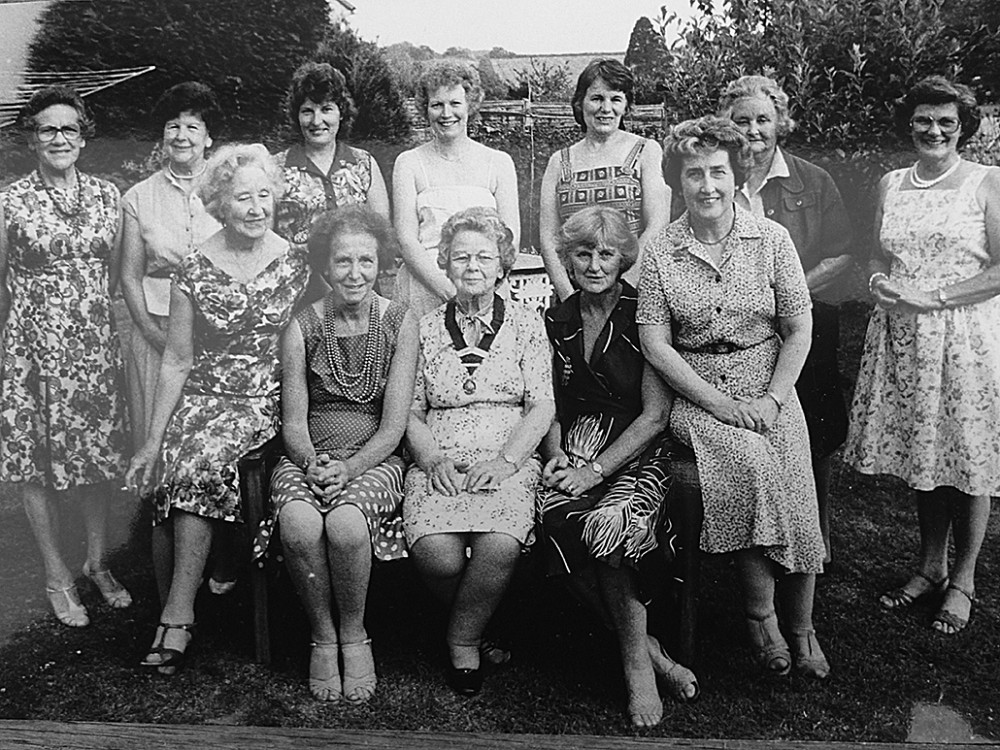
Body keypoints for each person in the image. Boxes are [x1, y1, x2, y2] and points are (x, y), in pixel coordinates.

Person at [638, 116, 829, 679]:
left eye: (718, 172)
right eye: (693, 173)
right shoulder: (661, 250)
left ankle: (803, 625)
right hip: (697, 394)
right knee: (749, 463)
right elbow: (654, 339)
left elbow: (799, 328)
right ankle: (760, 616)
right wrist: (717, 405)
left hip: (768, 386)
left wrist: (772, 400)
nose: (707, 186)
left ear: (736, 173)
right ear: (678, 180)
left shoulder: (771, 239)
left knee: (794, 472)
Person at [126, 144, 309, 673]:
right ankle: (187, 593)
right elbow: (177, 360)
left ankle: (179, 614)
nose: (255, 208)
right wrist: (151, 439)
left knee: (199, 461)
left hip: (262, 399)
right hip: (203, 396)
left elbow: (320, 331)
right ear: (219, 205)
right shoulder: (195, 268)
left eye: (263, 196)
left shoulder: (297, 261)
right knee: (177, 458)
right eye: (242, 198)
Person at [844, 76, 1000, 635]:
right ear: (909, 124)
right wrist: (880, 279)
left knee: (968, 455)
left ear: (963, 128)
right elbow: (874, 253)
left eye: (946, 123)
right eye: (923, 121)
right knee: (923, 453)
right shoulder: (892, 183)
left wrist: (931, 297)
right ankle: (929, 567)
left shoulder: (987, 182)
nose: (933, 131)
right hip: (904, 336)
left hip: (963, 336)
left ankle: (963, 579)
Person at [251, 206, 418, 703]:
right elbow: (294, 423)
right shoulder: (301, 327)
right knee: (300, 523)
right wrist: (313, 464)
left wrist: (351, 468)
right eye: (343, 262)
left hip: (374, 456)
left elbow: (393, 428)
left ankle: (354, 634)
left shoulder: (399, 322)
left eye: (366, 261)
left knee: (345, 525)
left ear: (381, 262)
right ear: (324, 266)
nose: (355, 273)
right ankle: (322, 636)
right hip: (309, 456)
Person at [538, 206, 695, 727]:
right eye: (584, 253)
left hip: (634, 449)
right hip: (574, 444)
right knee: (548, 517)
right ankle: (648, 647)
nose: (595, 264)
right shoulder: (557, 317)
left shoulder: (642, 311)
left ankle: (636, 669)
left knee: (610, 523)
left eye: (607, 253)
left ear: (624, 257)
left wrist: (595, 472)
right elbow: (550, 402)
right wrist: (558, 454)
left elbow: (655, 416)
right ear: (568, 258)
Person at [404, 207, 554, 696]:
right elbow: (409, 411)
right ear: (444, 263)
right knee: (436, 555)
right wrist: (432, 461)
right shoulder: (421, 328)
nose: (472, 266)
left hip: (506, 455)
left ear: (502, 265)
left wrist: (507, 461)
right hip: (441, 455)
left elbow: (542, 404)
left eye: (484, 257)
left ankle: (462, 640)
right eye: (461, 256)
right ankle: (484, 623)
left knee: (499, 544)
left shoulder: (529, 324)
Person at [0, 85, 131, 628]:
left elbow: (115, 274)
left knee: (96, 457)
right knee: (35, 461)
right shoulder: (9, 199)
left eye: (69, 128)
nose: (59, 138)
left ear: (83, 136)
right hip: (31, 347)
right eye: (47, 129)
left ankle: (96, 563)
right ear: (32, 138)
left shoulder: (106, 195)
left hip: (93, 346)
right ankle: (57, 574)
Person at [718, 75, 855, 565]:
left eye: (763, 119)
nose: (753, 131)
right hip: (736, 333)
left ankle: (814, 534)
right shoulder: (717, 180)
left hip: (804, 329)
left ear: (781, 123)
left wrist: (790, 296)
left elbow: (841, 253)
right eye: (742, 121)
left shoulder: (812, 180)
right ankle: (759, 536)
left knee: (812, 434)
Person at [119, 82, 238, 600]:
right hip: (157, 335)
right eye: (173, 126)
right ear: (161, 139)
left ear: (209, 137)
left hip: (218, 340)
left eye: (193, 126)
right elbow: (127, 276)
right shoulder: (138, 197)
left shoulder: (226, 191)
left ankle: (225, 555)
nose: (182, 135)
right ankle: (167, 573)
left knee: (212, 446)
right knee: (162, 443)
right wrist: (152, 332)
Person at [392, 61, 520, 318]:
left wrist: (480, 292)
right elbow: (406, 240)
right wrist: (449, 292)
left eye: (454, 103)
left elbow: (510, 240)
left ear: (470, 106)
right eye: (437, 105)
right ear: (425, 109)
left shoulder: (499, 162)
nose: (446, 113)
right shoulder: (408, 163)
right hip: (424, 292)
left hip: (485, 292)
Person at [539, 59, 669, 301]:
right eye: (597, 98)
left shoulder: (646, 151)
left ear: (626, 105)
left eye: (615, 99)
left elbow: (657, 225)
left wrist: (625, 289)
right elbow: (549, 238)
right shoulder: (559, 161)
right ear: (580, 103)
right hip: (576, 294)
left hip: (635, 294)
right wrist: (569, 298)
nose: (606, 108)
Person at [273, 62, 390, 250]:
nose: (316, 121)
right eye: (307, 111)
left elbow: (382, 234)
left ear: (341, 113)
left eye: (326, 109)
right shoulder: (275, 168)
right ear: (297, 116)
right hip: (295, 276)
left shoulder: (363, 164)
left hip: (353, 276)